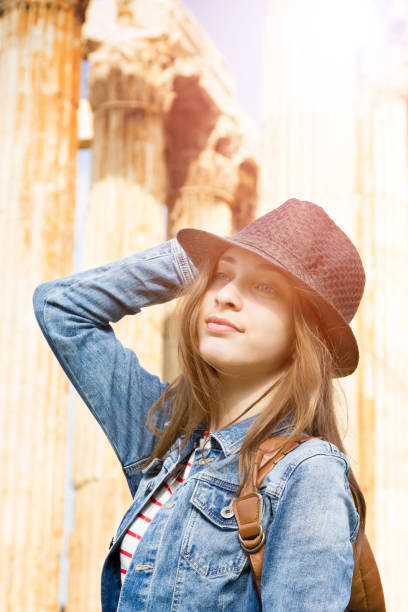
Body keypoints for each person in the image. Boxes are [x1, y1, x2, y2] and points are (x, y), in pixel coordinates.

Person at [33, 198, 365, 611]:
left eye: (264, 286)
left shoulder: (308, 472)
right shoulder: (167, 433)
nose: (224, 295)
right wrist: (193, 263)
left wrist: (220, 261)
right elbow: (60, 308)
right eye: (221, 276)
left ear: (305, 334)